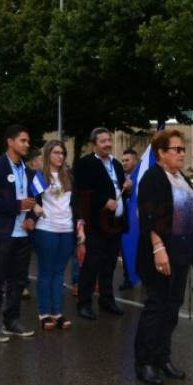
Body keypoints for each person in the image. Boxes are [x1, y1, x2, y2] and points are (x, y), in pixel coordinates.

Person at [134, 129, 193, 385]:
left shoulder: (179, 177)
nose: (182, 153)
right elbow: (149, 217)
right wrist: (159, 249)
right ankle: (144, 362)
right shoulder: (153, 178)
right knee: (155, 308)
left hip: (181, 255)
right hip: (160, 255)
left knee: (171, 310)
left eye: (183, 149)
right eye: (177, 149)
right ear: (161, 153)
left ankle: (162, 357)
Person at [0, 124, 37, 342]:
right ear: (10, 142)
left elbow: (37, 199)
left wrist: (32, 218)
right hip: (2, 234)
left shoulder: (28, 170)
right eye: (22, 140)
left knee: (18, 281)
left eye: (28, 141)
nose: (26, 144)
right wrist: (17, 205)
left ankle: (11, 321)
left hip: (23, 235)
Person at [74, 127, 132, 320]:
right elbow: (82, 193)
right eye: (103, 141)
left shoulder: (116, 163)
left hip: (115, 224)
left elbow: (121, 190)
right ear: (94, 144)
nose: (107, 144)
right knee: (91, 265)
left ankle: (107, 300)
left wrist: (128, 187)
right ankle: (84, 303)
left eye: (109, 140)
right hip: (96, 224)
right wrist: (103, 201)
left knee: (109, 265)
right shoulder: (85, 164)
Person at [32, 140, 84, 330]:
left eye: (62, 153)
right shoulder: (39, 176)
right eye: (56, 153)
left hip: (66, 230)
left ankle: (57, 312)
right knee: (46, 272)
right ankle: (44, 313)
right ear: (47, 155)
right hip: (46, 229)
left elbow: (75, 204)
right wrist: (34, 206)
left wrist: (80, 227)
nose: (60, 156)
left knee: (59, 273)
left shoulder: (68, 176)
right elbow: (28, 198)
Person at [20, 147, 42, 299]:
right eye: (42, 159)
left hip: (43, 222)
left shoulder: (45, 176)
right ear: (34, 162)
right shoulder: (27, 175)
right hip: (28, 221)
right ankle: (22, 284)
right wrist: (30, 218)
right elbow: (30, 200)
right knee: (24, 256)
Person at [119, 148, 139, 291]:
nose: (124, 163)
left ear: (135, 160)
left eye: (127, 160)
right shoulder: (121, 177)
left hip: (139, 220)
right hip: (125, 220)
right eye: (123, 161)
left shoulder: (141, 175)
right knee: (127, 249)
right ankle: (128, 278)